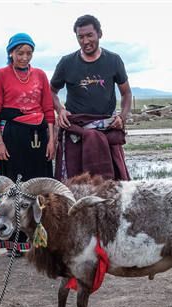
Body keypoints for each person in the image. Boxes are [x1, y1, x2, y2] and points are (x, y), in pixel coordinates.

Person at [0, 32, 56, 256]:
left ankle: (41, 241)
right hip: (12, 136)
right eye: (20, 52)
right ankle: (13, 243)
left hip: (38, 136)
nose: (25, 57)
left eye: (29, 53)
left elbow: (48, 109)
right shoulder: (1, 75)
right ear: (11, 53)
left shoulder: (41, 75)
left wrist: (51, 139)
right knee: (12, 188)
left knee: (39, 188)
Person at [50, 14, 132, 181]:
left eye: (89, 35)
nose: (85, 41)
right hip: (76, 131)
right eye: (80, 37)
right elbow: (51, 91)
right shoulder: (66, 63)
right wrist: (60, 110)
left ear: (99, 34)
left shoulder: (114, 60)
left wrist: (122, 117)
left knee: (113, 186)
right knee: (74, 184)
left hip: (106, 131)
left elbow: (126, 93)